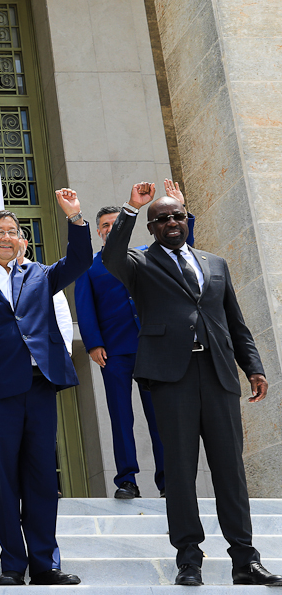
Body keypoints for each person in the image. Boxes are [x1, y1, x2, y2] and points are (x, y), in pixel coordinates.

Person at [102, 182, 282, 587]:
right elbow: (110, 255)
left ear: (187, 220)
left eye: (176, 216)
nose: (170, 223)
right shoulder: (139, 264)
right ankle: (189, 559)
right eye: (161, 218)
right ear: (151, 228)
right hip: (172, 378)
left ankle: (244, 560)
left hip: (218, 375)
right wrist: (133, 207)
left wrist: (252, 366)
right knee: (181, 471)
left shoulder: (214, 263)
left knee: (230, 471)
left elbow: (234, 321)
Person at [0, 190, 91, 586]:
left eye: (14, 232)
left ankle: (45, 565)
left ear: (23, 241)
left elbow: (80, 260)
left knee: (42, 477)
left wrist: (75, 217)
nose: (7, 237)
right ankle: (13, 564)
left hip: (39, 386)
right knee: (3, 479)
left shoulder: (41, 276)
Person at [74, 179, 193, 500]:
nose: (110, 229)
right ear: (99, 232)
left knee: (160, 418)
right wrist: (93, 343)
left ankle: (168, 482)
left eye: (115, 224)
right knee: (120, 417)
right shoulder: (90, 267)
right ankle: (126, 480)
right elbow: (84, 308)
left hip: (151, 349)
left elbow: (184, 250)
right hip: (113, 352)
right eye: (104, 226)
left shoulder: (148, 255)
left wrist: (184, 212)